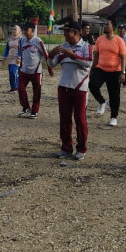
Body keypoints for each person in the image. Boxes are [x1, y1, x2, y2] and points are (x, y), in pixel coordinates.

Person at [47, 21, 93, 160]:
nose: (65, 34)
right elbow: (52, 64)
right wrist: (51, 55)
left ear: (76, 32)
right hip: (64, 87)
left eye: (67, 31)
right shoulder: (63, 47)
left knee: (79, 119)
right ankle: (66, 147)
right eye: (64, 31)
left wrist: (73, 56)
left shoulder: (86, 47)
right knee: (65, 119)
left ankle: (81, 148)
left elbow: (89, 63)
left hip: (80, 88)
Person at [89, 19, 126, 126]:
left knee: (114, 95)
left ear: (113, 27)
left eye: (107, 25)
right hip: (100, 69)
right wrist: (92, 69)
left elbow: (123, 58)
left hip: (115, 71)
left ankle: (113, 117)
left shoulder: (119, 41)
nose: (105, 26)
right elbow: (96, 56)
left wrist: (123, 72)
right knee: (92, 85)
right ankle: (102, 102)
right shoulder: (100, 40)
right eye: (104, 25)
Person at [17, 22, 54, 119]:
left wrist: (49, 68)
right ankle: (25, 108)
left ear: (32, 31)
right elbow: (21, 53)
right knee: (20, 88)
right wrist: (20, 67)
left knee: (37, 91)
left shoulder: (38, 41)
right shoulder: (22, 40)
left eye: (27, 30)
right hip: (24, 70)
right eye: (24, 30)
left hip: (36, 71)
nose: (25, 32)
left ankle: (34, 110)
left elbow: (46, 55)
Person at [2, 25, 22, 92]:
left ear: (19, 31)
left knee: (13, 72)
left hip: (17, 59)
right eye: (13, 29)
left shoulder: (21, 39)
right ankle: (12, 88)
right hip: (10, 58)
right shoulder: (10, 39)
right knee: (10, 74)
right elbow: (7, 49)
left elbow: (21, 49)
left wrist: (19, 57)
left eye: (15, 29)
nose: (13, 31)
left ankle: (17, 87)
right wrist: (4, 57)